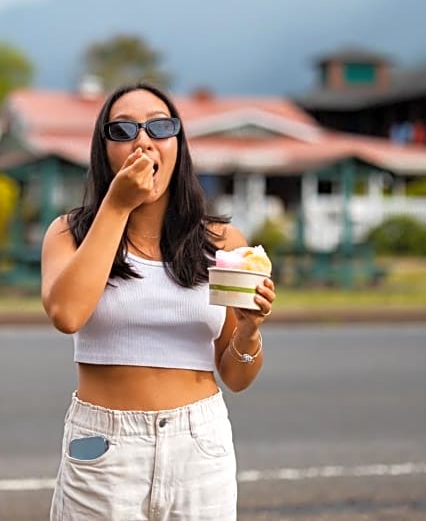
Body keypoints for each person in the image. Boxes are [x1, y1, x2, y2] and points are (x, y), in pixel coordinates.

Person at [41, 83, 276, 520]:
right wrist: (117, 205)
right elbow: (66, 314)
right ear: (103, 149)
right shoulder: (69, 233)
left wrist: (248, 328)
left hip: (199, 448)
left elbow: (237, 377)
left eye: (159, 126)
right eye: (124, 129)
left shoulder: (222, 242)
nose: (143, 140)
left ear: (178, 144)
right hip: (103, 447)